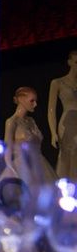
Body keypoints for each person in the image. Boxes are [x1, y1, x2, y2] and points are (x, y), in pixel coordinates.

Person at [0, 87, 55, 197]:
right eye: (32, 101)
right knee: (28, 196)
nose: (35, 104)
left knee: (46, 196)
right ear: (21, 99)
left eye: (35, 101)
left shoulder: (31, 121)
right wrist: (10, 168)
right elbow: (7, 148)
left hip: (39, 164)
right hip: (23, 166)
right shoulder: (11, 122)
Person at [48, 51, 77, 182]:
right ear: (70, 62)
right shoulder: (58, 83)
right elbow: (51, 110)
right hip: (67, 124)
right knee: (68, 155)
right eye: (76, 62)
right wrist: (53, 132)